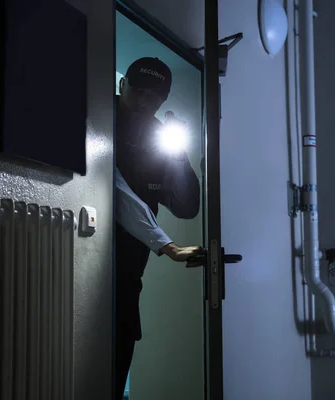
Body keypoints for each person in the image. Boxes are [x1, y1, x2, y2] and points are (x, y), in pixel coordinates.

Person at [114, 57, 201, 400]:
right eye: (137, 91)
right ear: (122, 85)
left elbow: (186, 206)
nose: (144, 101)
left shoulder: (158, 139)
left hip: (127, 278)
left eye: (154, 96)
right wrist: (167, 246)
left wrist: (178, 157)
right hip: (79, 261)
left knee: (115, 364)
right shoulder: (97, 115)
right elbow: (115, 191)